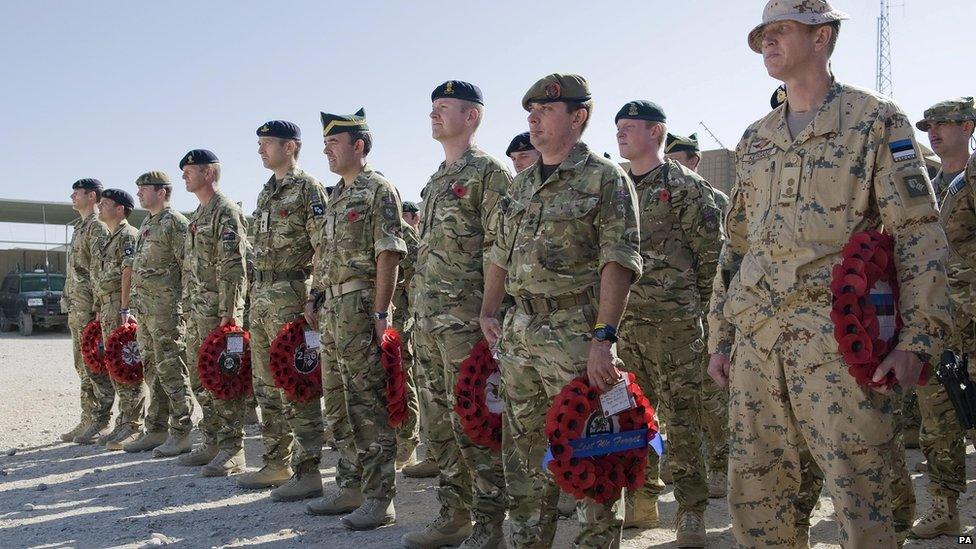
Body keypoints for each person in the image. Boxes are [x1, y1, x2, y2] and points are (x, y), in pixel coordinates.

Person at [708, 2, 952, 546]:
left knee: (860, 500)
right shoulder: (755, 138)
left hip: (837, 345)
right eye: (762, 35)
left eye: (780, 32)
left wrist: (918, 340)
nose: (767, 44)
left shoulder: (875, 121)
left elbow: (916, 232)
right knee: (757, 498)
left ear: (822, 38)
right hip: (757, 345)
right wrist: (721, 337)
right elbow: (738, 248)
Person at [481, 73, 642, 548]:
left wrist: (603, 340)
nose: (533, 117)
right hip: (521, 331)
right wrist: (489, 311)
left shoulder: (604, 178)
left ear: (578, 117)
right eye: (531, 111)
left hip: (577, 333)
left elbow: (620, 261)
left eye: (546, 110)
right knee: (524, 455)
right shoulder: (521, 185)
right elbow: (497, 252)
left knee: (589, 451)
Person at [402, 80, 510, 549]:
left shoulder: (489, 173)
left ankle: (489, 526)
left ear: (472, 117)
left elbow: (501, 248)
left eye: (444, 108)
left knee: (475, 424)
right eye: (432, 108)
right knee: (440, 425)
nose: (433, 115)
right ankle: (454, 515)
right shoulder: (436, 180)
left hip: (468, 324)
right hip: (428, 324)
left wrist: (491, 313)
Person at [614, 100, 722, 546]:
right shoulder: (613, 185)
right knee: (631, 415)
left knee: (684, 419)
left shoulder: (684, 185)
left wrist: (705, 317)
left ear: (656, 132)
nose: (620, 134)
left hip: (677, 325)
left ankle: (691, 510)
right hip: (624, 325)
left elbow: (712, 258)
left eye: (630, 127)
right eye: (617, 127)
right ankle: (641, 498)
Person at [304, 108, 405, 530]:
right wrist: (313, 296)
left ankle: (381, 498)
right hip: (331, 313)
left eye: (334, 142)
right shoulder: (337, 197)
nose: (326, 150)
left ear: (359, 146)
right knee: (339, 406)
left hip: (361, 310)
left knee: (368, 406)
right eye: (325, 143)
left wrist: (381, 312)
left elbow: (389, 252)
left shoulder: (377, 189)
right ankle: (350, 485)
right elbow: (323, 255)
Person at [235, 120, 329, 502]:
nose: (260, 150)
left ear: (290, 147)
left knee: (297, 382)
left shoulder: (307, 189)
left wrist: (316, 296)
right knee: (266, 383)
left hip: (291, 294)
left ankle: (309, 472)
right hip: (262, 294)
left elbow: (323, 245)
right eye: (259, 144)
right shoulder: (267, 193)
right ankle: (277, 462)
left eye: (267, 143)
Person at [906, 97, 976, 539]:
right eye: (929, 125)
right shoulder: (928, 185)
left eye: (944, 123)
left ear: (968, 127)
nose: (934, 131)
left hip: (973, 314)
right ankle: (945, 507)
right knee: (937, 416)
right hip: (936, 318)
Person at [178, 149, 250, 477]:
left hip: (219, 315)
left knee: (223, 378)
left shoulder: (226, 211)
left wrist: (231, 312)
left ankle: (233, 449)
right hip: (196, 312)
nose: (184, 176)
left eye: (190, 170)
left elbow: (235, 266)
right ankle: (211, 440)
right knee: (200, 378)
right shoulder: (197, 216)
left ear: (209, 174)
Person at [125, 171, 194, 457]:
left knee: (173, 371)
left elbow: (188, 267)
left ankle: (183, 432)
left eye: (144, 189)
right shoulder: (148, 223)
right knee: (153, 372)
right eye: (138, 189)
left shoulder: (175, 223)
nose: (139, 193)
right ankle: (156, 428)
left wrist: (186, 307)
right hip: (147, 312)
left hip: (168, 312)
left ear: (162, 192)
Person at [61, 178, 115, 444]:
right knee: (82, 366)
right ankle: (87, 418)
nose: (72, 196)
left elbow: (99, 271)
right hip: (76, 307)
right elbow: (74, 272)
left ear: (91, 196)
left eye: (77, 193)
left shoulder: (97, 228)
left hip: (90, 309)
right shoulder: (80, 228)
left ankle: (101, 421)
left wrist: (97, 308)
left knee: (95, 366)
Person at [93, 188, 147, 451]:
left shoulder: (128, 235)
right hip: (107, 305)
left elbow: (128, 272)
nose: (100, 207)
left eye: (105, 204)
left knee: (127, 364)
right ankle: (124, 420)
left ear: (120, 209)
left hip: (119, 305)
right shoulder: (109, 237)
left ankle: (134, 425)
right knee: (115, 364)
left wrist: (125, 309)